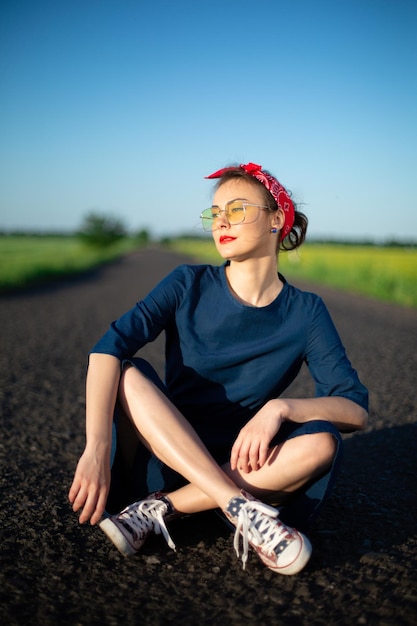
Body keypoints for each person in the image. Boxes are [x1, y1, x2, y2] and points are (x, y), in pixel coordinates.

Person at [68, 162, 368, 575]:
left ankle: (167, 509)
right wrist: (96, 448)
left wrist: (281, 409)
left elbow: (354, 407)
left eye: (238, 209)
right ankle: (238, 508)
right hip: (170, 454)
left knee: (323, 443)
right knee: (128, 371)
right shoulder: (187, 283)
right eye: (215, 213)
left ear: (276, 219)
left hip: (248, 465)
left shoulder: (306, 311)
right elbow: (106, 350)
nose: (221, 221)